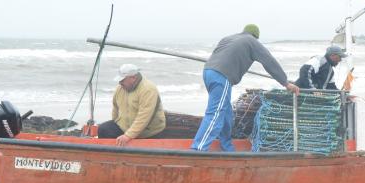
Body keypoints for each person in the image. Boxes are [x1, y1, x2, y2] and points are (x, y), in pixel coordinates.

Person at [192, 24, 300, 152]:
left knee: (226, 113)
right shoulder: (252, 41)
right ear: (256, 36)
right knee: (215, 113)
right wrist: (285, 83)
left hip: (208, 72)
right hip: (222, 75)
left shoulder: (228, 38)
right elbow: (269, 61)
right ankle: (197, 149)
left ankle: (227, 147)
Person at [98, 64, 166, 146]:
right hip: (125, 127)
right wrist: (115, 123)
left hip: (148, 130)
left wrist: (128, 136)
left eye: (123, 80)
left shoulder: (148, 89)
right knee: (103, 129)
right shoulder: (120, 88)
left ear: (133, 78)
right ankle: (111, 156)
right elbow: (115, 108)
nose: (120, 82)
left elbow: (144, 117)